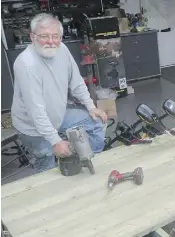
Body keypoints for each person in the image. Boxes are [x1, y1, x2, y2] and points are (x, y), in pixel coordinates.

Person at [11, 13, 108, 173]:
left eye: (55, 36)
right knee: (47, 165)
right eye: (44, 36)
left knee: (95, 122)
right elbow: (36, 111)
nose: (51, 41)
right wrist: (55, 141)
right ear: (32, 37)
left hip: (58, 115)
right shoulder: (26, 64)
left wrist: (91, 107)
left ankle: (89, 161)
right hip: (32, 127)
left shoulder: (62, 49)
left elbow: (76, 82)